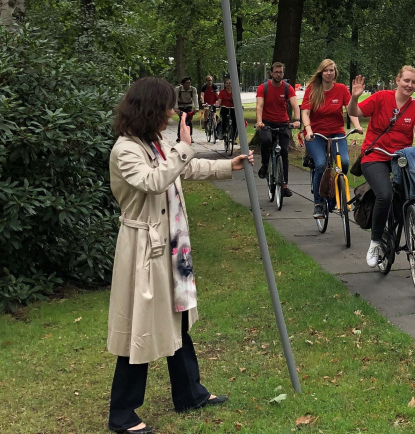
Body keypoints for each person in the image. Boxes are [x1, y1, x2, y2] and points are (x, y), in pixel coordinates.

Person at [107, 76, 253, 434]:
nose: (172, 113)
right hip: (144, 249)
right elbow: (154, 180)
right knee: (137, 330)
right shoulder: (125, 150)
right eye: (167, 107)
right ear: (150, 109)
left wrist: (225, 166)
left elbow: (181, 170)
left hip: (171, 246)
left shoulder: (154, 142)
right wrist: (184, 146)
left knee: (180, 319)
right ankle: (122, 415)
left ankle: (189, 393)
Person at [347, 65, 415, 267]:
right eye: (406, 80)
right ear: (397, 80)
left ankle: (410, 224)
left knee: (411, 185)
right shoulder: (381, 98)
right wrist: (354, 98)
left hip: (398, 156)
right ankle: (375, 241)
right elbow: (356, 111)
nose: (410, 85)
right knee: (385, 195)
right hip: (374, 155)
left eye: (413, 82)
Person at [299, 59, 363, 219]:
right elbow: (305, 112)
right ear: (321, 72)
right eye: (326, 70)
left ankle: (335, 192)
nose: (329, 73)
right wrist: (308, 130)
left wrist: (357, 125)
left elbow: (351, 110)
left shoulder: (341, 89)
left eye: (332, 70)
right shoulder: (312, 89)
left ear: (335, 72)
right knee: (321, 165)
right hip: (316, 135)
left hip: (336, 134)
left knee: (345, 163)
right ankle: (319, 204)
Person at [255, 62, 301, 198]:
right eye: (276, 72)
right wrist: (259, 121)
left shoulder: (288, 88)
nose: (278, 74)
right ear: (271, 73)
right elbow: (259, 105)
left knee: (284, 152)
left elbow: (295, 105)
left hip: (283, 123)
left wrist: (297, 120)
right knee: (267, 140)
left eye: (280, 72)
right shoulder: (263, 88)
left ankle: (284, 184)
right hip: (267, 122)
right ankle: (264, 164)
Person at [174, 77, 199, 142]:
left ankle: (190, 136)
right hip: (180, 105)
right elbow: (175, 99)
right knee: (182, 120)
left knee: (189, 120)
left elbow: (195, 98)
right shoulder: (178, 89)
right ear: (183, 84)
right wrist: (176, 108)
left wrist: (196, 108)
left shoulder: (193, 89)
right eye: (186, 83)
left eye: (189, 83)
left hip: (188, 105)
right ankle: (179, 136)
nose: (188, 84)